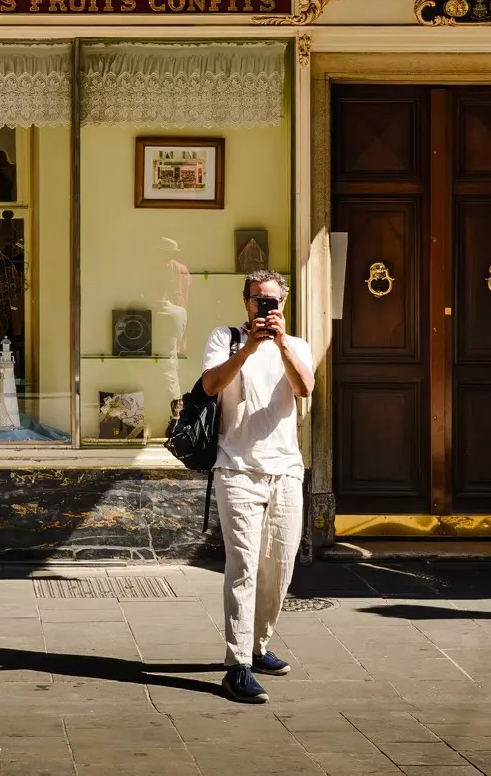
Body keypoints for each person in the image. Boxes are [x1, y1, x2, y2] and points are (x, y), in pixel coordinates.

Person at [199, 269, 313, 703]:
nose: (264, 308)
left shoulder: (296, 344)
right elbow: (211, 385)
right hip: (237, 470)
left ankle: (258, 646)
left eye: (271, 301)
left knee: (279, 568)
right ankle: (237, 665)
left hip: (285, 471)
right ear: (245, 303)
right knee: (243, 568)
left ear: (283, 304)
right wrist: (249, 348)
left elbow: (305, 388)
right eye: (256, 300)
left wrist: (281, 343)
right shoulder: (225, 338)